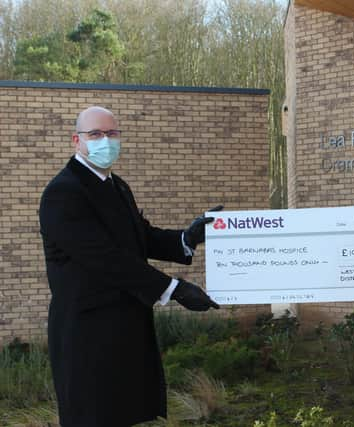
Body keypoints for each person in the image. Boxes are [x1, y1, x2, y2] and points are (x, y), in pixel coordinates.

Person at [39, 106, 221, 427]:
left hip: (124, 325)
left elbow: (140, 237)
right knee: (95, 416)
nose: (105, 140)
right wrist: (173, 289)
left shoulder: (116, 185)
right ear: (76, 140)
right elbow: (106, 258)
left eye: (111, 133)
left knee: (124, 414)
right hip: (88, 332)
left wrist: (186, 238)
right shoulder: (63, 193)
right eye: (95, 134)